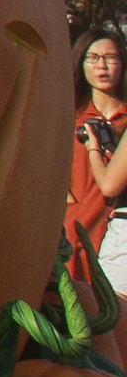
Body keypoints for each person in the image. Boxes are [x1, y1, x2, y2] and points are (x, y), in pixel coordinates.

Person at [76, 30, 127, 292]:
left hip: (115, 230)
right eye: (93, 57)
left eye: (110, 57)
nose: (102, 65)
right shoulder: (68, 116)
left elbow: (109, 185)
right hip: (75, 229)